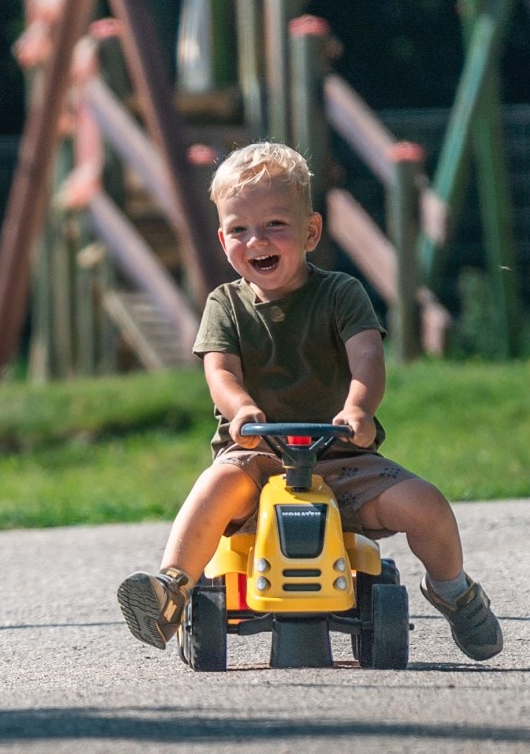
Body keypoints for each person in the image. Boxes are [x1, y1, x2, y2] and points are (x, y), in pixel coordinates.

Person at [117, 141, 502, 661]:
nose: (257, 240)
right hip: (257, 459)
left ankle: (455, 591)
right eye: (239, 230)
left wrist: (358, 411)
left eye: (275, 224)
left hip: (343, 459)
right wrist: (242, 411)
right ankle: (171, 589)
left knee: (426, 504)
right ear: (222, 238)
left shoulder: (341, 294)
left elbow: (367, 357)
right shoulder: (224, 305)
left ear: (311, 232)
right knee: (214, 487)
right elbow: (220, 371)